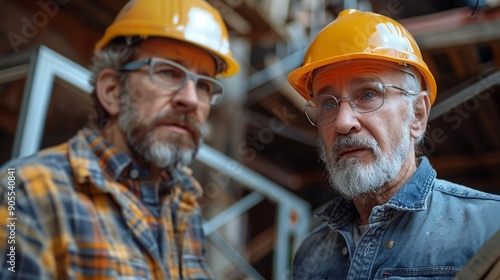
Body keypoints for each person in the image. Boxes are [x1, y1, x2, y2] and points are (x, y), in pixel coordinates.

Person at [0, 0, 239, 279]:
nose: (190, 99)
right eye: (167, 72)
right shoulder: (25, 191)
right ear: (113, 91)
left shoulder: (185, 206)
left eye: (204, 85)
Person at [287, 9, 500, 279]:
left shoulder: (489, 228)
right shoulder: (311, 255)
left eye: (368, 94)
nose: (342, 122)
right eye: (327, 103)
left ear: (417, 115)